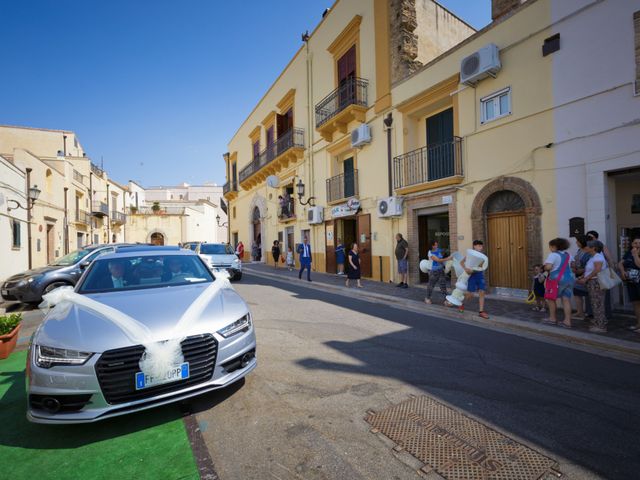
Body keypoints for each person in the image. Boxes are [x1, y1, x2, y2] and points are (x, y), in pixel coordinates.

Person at [543, 237, 575, 328]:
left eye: (550, 246)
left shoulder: (553, 255)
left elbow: (548, 267)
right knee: (566, 299)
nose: (550, 248)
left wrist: (544, 268)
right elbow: (573, 266)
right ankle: (567, 321)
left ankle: (552, 318)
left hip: (556, 279)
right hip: (569, 279)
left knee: (551, 298)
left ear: (554, 246)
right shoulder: (568, 255)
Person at [577, 240, 608, 332]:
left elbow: (597, 270)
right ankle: (599, 322)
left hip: (595, 282)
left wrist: (586, 279)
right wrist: (583, 276)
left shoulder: (598, 257)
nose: (586, 248)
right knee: (596, 303)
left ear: (593, 248)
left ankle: (601, 326)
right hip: (593, 282)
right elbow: (590, 270)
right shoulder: (593, 257)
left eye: (588, 246)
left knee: (597, 304)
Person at [586, 230, 613, 319]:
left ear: (596, 238)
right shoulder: (589, 249)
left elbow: (609, 259)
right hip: (592, 278)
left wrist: (611, 272)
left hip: (602, 275)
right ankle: (593, 315)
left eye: (591, 237)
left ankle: (604, 317)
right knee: (593, 299)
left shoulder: (601, 247)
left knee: (602, 299)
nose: (590, 239)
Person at [460, 240, 489, 319]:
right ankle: (461, 302)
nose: (481, 247)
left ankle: (481, 312)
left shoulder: (482, 256)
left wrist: (476, 269)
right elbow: (461, 262)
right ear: (474, 246)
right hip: (471, 276)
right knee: (471, 295)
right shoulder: (469, 254)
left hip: (479, 275)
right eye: (479, 246)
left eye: (481, 246)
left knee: (482, 292)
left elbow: (481, 266)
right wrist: (465, 269)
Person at [618, 235, 640, 333]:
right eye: (635, 243)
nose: (637, 245)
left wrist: (635, 255)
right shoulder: (628, 253)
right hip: (632, 282)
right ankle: (639, 324)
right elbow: (620, 263)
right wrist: (622, 272)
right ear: (632, 244)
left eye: (639, 243)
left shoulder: (634, 253)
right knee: (636, 303)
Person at [424, 240, 451, 304]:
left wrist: (447, 251)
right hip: (434, 271)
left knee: (443, 285)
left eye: (437, 244)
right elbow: (438, 260)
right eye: (435, 245)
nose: (437, 246)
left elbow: (444, 252)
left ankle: (446, 300)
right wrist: (448, 258)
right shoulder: (430, 253)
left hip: (441, 270)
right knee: (431, 285)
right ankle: (427, 298)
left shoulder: (438, 250)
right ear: (432, 246)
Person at [571, 235, 592, 320]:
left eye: (577, 241)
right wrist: (573, 266)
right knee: (577, 292)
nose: (576, 242)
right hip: (578, 274)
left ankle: (589, 313)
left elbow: (590, 265)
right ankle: (580, 312)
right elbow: (576, 260)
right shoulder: (579, 250)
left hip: (586, 275)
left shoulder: (589, 252)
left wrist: (581, 271)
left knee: (588, 295)